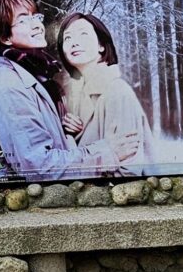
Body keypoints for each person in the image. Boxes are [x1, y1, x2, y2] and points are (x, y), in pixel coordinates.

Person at [0, 0, 138, 180]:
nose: (38, 26)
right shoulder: (10, 86)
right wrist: (107, 154)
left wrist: (65, 131)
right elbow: (39, 167)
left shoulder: (37, 78)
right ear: (5, 37)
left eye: (36, 17)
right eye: (23, 20)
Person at [57, 12, 157, 177]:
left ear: (101, 45)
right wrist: (68, 133)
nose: (74, 43)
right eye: (67, 38)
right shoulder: (72, 97)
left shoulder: (117, 92)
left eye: (83, 34)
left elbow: (130, 169)